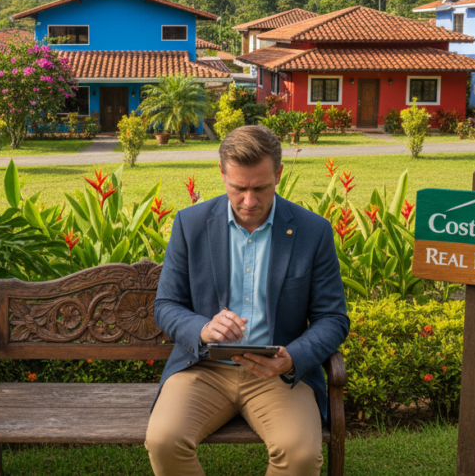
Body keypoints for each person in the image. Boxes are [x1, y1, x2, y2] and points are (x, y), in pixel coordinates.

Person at [145, 124, 349, 476]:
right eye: (238, 188)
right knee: (164, 441)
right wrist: (204, 328)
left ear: (279, 174)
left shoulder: (312, 231)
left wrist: (292, 358)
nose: (249, 202)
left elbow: (333, 318)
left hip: (278, 374)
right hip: (203, 369)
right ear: (222, 173)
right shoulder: (190, 224)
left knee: (299, 454)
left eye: (261, 188)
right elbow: (166, 305)